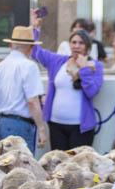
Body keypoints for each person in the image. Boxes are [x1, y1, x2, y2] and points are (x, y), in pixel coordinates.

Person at [30, 9, 104, 150]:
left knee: (78, 163)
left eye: (81, 43)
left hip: (81, 128)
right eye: (73, 42)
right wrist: (35, 28)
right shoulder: (58, 61)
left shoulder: (95, 66)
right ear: (69, 45)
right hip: (56, 124)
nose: (76, 46)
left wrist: (84, 69)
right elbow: (35, 52)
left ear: (88, 47)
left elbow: (91, 92)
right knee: (59, 163)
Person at [0, 26, 47, 155]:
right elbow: (32, 101)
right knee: (22, 165)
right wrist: (41, 128)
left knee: (5, 163)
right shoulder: (29, 66)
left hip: (2, 121)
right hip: (21, 124)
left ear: (10, 45)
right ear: (31, 48)